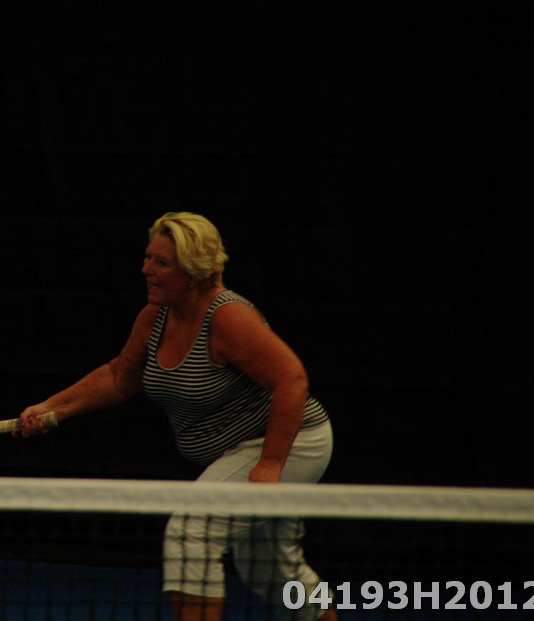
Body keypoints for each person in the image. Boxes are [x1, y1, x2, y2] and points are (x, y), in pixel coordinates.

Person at [17, 212, 337, 621]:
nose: (146, 269)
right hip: (245, 452)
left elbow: (292, 379)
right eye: (148, 257)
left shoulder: (229, 317)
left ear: (192, 272)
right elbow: (119, 376)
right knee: (273, 570)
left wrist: (271, 463)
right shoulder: (156, 317)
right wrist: (53, 408)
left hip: (291, 444)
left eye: (161, 263)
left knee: (192, 534)